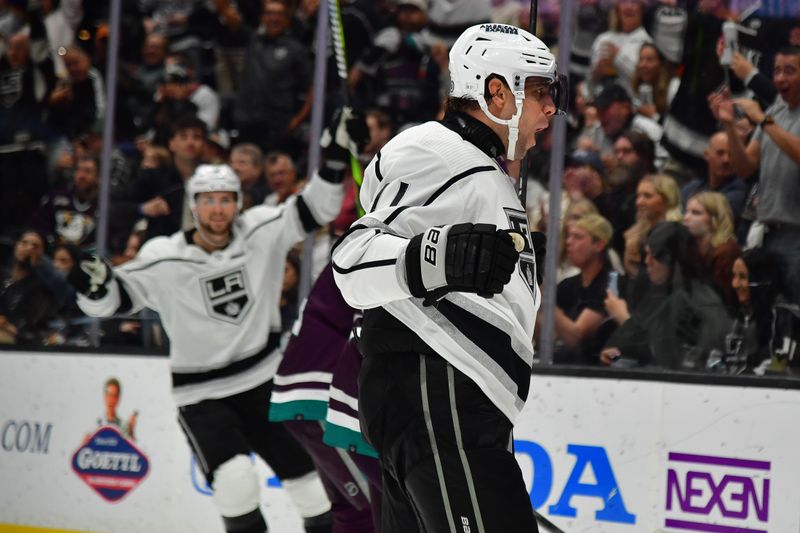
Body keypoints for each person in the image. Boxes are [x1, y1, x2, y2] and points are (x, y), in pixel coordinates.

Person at [69, 108, 367, 533]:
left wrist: (333, 151)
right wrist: (94, 289)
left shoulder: (262, 229)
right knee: (234, 484)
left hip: (265, 380)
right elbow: (114, 300)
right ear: (194, 205)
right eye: (208, 200)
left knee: (312, 488)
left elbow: (317, 206)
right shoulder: (164, 255)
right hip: (202, 393)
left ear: (238, 201)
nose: (217, 209)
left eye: (226, 198)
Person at [332, 23, 562, 532]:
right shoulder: (437, 148)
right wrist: (441, 258)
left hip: (450, 402)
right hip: (439, 395)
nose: (551, 108)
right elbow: (351, 259)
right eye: (542, 91)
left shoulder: (485, 169)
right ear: (497, 92)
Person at [709, 46, 800, 303]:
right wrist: (728, 126)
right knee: (767, 315)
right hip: (767, 232)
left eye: (790, 71)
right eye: (777, 71)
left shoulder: (767, 117)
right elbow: (745, 166)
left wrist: (762, 120)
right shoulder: (776, 111)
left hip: (796, 235)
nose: (780, 78)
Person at [602, 222, 730, 370]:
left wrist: (624, 318)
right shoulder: (658, 292)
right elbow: (643, 343)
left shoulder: (699, 300)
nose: (647, 261)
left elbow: (672, 356)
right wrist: (617, 352)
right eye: (646, 254)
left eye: (654, 256)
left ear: (670, 260)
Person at [554, 214, 619, 365]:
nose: (569, 242)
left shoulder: (611, 284)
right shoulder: (567, 285)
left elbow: (576, 337)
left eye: (577, 237)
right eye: (569, 236)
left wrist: (545, 300)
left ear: (599, 245)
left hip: (593, 370)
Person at [683, 191, 741, 306]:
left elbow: (721, 298)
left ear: (715, 219)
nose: (686, 218)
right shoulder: (690, 248)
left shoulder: (726, 252)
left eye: (696, 213)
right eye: (687, 211)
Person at [623, 173, 681, 276]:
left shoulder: (674, 234)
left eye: (647, 196)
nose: (639, 202)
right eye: (638, 196)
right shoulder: (636, 233)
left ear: (667, 199)